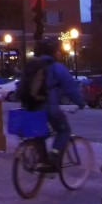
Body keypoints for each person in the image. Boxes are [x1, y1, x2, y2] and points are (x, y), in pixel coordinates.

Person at [23, 38, 85, 168]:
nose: (59, 53)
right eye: (58, 50)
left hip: (31, 106)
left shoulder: (33, 65)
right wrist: (80, 102)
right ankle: (54, 156)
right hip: (49, 107)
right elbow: (70, 87)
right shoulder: (56, 67)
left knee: (40, 133)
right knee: (64, 131)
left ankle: (41, 160)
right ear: (54, 52)